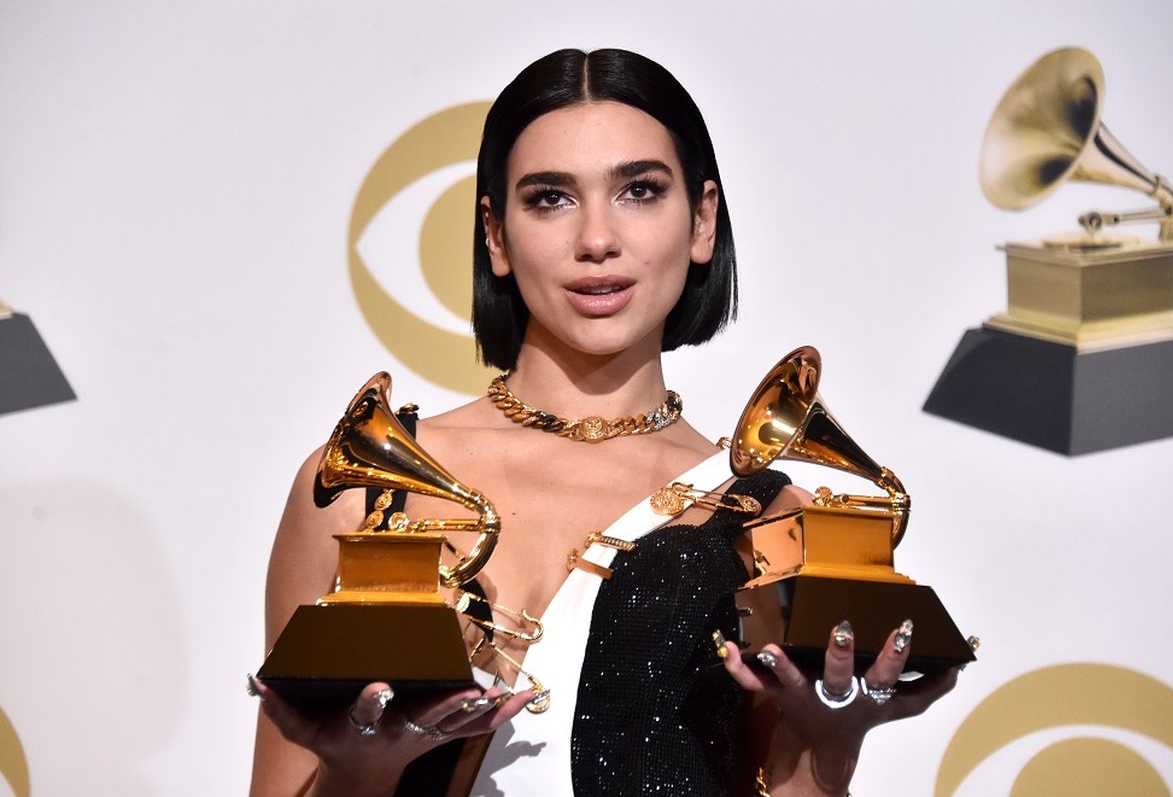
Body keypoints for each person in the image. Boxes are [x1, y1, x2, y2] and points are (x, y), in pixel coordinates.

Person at [248, 48, 957, 797]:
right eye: (551, 198)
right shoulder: (360, 487)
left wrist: (829, 746)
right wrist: (360, 773)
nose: (596, 239)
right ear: (495, 233)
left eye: (640, 191)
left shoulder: (770, 516)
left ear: (702, 221)